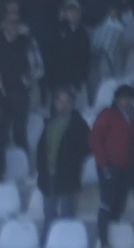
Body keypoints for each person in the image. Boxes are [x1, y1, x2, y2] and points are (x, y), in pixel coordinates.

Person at [0, 12, 41, 181]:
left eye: (16, 23)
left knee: (19, 133)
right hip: (1, 96)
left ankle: (27, 172)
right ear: (3, 24)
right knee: (0, 135)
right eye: (9, 22)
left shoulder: (27, 42)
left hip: (20, 95)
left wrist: (24, 80)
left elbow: (39, 68)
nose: (13, 26)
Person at [35, 90, 90, 239]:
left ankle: (67, 242)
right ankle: (46, 245)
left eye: (67, 102)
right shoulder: (50, 122)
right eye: (60, 101)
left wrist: (72, 163)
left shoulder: (79, 124)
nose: (63, 105)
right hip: (48, 174)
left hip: (67, 176)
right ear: (55, 103)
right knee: (49, 214)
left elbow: (87, 148)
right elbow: (42, 148)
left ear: (72, 104)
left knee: (67, 214)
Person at [90, 84, 134, 241]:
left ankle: (113, 234)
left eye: (130, 98)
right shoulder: (107, 115)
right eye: (123, 98)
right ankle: (103, 238)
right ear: (117, 99)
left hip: (127, 168)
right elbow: (95, 140)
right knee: (107, 203)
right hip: (109, 167)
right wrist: (103, 165)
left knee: (119, 203)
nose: (127, 102)